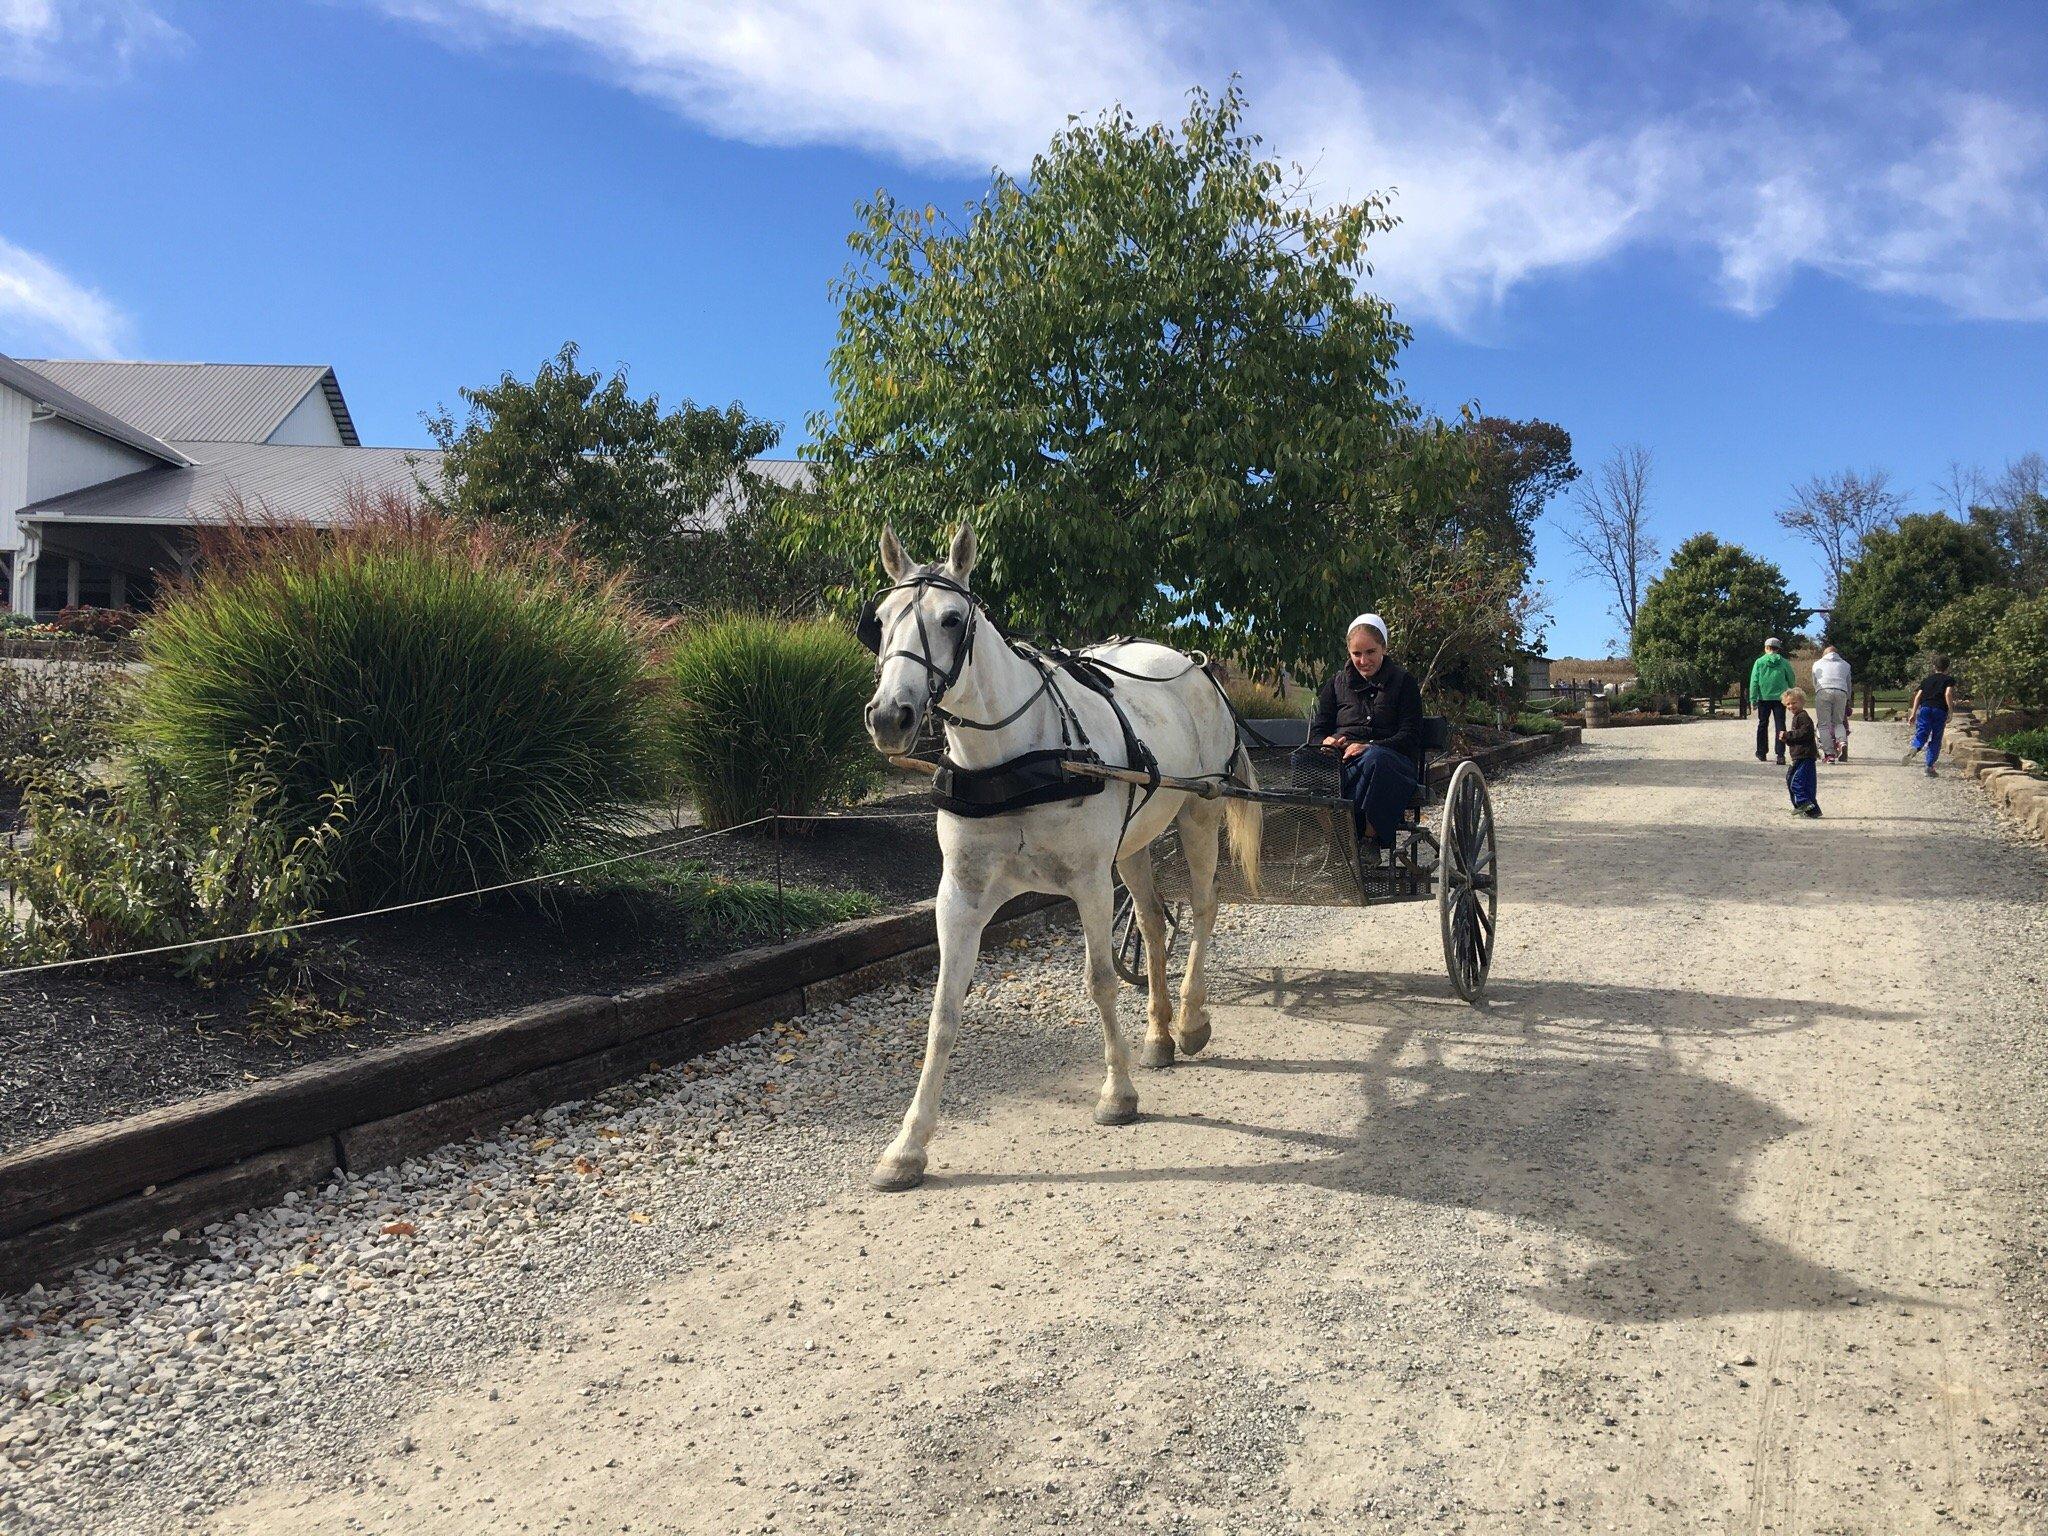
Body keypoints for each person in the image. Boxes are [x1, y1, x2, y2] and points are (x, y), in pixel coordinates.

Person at [1309, 613, 1424, 870]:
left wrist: (1372, 745)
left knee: (1375, 759)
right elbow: (1318, 730)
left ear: (1384, 647)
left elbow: (1410, 735)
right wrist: (1326, 741)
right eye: (1356, 654)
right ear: (1349, 652)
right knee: (1303, 761)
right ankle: (1335, 841)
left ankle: (1370, 840)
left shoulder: (1403, 683)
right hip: (1344, 762)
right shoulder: (1336, 684)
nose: (1364, 660)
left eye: (1370, 652)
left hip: (1392, 761)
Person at [1904, 654, 1958, 776]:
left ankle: (1915, 747)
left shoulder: (1926, 680)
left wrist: (1913, 713)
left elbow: (1918, 696)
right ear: (1947, 668)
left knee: (1922, 733)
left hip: (1925, 708)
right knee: (1936, 738)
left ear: (1934, 667)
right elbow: (1948, 694)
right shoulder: (1948, 680)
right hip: (1939, 710)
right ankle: (1929, 766)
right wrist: (1950, 711)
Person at [1749, 638, 1795, 764]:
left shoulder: (1759, 662)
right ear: (1778, 649)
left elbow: (1754, 681)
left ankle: (1761, 752)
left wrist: (1753, 698)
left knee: (1763, 724)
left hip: (1764, 698)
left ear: (1766, 647)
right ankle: (1780, 754)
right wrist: (1789, 688)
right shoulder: (1784, 662)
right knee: (1780, 724)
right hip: (1780, 698)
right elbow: (1791, 678)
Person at [1782, 688, 1821, 817]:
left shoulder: (1803, 717)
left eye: (1794, 703)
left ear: (1802, 702)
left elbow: (1805, 733)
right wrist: (1787, 739)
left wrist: (1788, 735)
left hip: (1804, 755)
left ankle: (1803, 803)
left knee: (1795, 781)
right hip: (1801, 755)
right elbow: (1799, 738)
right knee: (1806, 783)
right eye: (1788, 704)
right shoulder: (1797, 717)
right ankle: (1813, 810)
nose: (1791, 706)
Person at [1812, 643, 1852, 762]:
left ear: (1824, 655)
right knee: (1838, 722)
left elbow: (1815, 682)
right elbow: (1848, 683)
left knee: (1824, 725)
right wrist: (1848, 699)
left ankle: (1829, 754)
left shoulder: (1817, 664)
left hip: (1823, 690)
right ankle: (1842, 741)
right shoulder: (1846, 665)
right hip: (1841, 692)